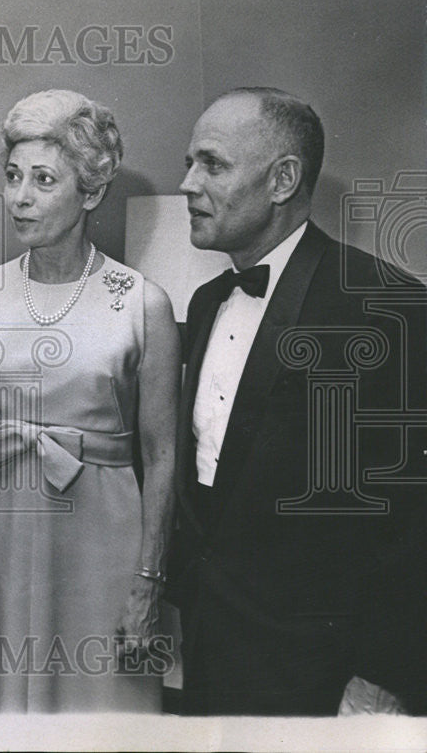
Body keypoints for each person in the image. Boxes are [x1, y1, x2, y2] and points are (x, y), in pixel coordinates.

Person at [172, 87, 427, 715]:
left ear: (283, 179)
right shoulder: (206, 303)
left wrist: (381, 679)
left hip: (325, 676)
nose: (187, 183)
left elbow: (411, 523)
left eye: (212, 163)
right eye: (189, 163)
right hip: (215, 652)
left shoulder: (385, 306)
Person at [0, 89, 181, 712]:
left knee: (101, 702)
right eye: (13, 177)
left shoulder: (142, 302)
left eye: (44, 180)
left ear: (91, 191)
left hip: (104, 536)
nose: (21, 197)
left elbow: (163, 455)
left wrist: (148, 581)